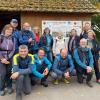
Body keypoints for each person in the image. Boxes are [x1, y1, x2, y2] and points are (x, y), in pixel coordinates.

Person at [0, 24, 16, 96]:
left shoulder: (13, 38)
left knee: (9, 73)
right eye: (8, 30)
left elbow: (13, 49)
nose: (9, 31)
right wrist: (2, 58)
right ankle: (1, 88)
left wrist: (8, 57)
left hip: (10, 57)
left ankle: (9, 87)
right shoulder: (0, 37)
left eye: (11, 30)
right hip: (1, 58)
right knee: (2, 74)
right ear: (4, 30)